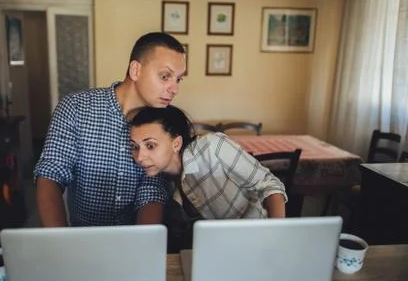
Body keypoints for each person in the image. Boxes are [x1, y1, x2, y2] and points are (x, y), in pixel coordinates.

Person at [34, 32, 186, 227]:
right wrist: (60, 241)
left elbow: (152, 189)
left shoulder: (162, 121)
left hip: (133, 239)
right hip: (82, 238)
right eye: (165, 76)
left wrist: (141, 244)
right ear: (136, 70)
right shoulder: (76, 107)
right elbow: (51, 173)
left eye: (178, 79)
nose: (174, 89)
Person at [129, 105, 287, 220]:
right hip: (217, 251)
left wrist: (274, 236)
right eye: (134, 147)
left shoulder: (212, 147)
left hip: (256, 239)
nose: (139, 157)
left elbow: (270, 185)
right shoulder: (159, 178)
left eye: (150, 145)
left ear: (176, 143)